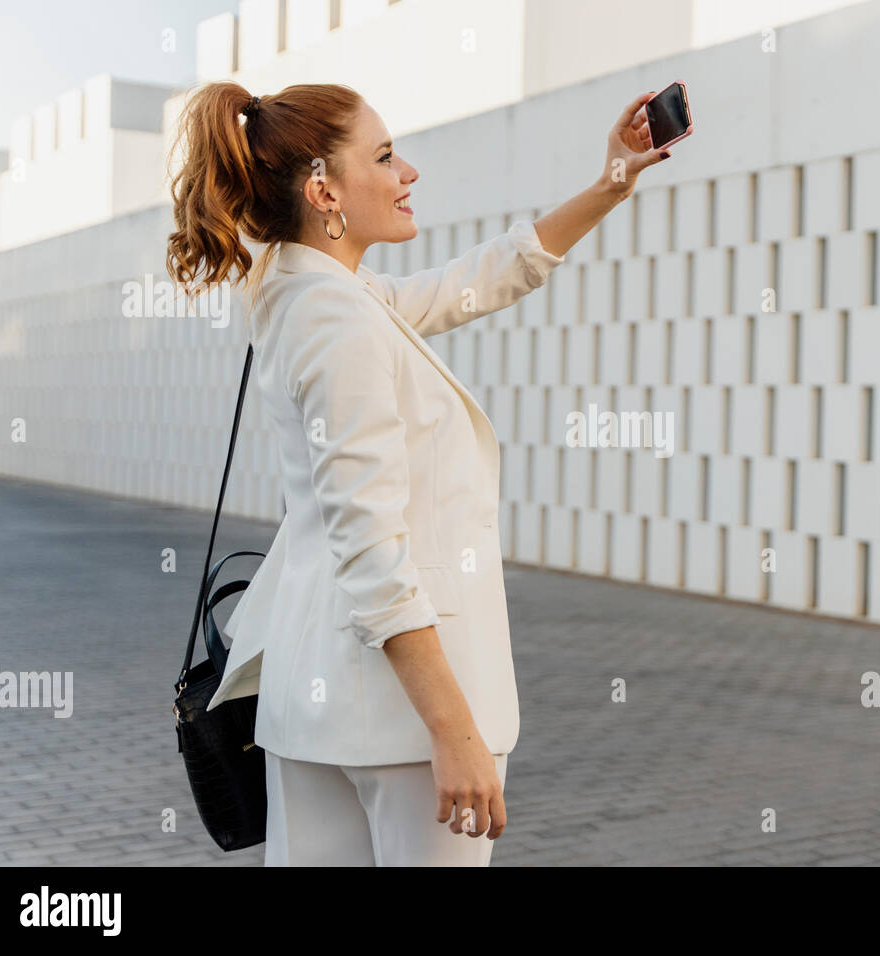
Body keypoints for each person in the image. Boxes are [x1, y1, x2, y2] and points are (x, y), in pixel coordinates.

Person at [165, 81, 671, 865]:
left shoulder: (313, 294)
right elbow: (369, 543)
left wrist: (614, 180)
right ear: (324, 187)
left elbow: (484, 277)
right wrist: (454, 731)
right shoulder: (337, 320)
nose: (410, 173)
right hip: (397, 725)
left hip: (313, 704)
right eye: (386, 155)